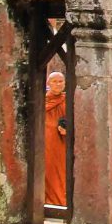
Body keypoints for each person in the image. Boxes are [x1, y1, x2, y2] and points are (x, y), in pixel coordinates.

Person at [44, 71, 67, 207]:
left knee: (61, 171)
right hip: (46, 142)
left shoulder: (68, 99)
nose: (58, 84)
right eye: (54, 81)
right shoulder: (43, 100)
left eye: (60, 81)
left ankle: (61, 201)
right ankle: (47, 201)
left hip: (62, 142)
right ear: (48, 83)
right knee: (48, 171)